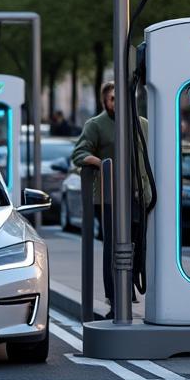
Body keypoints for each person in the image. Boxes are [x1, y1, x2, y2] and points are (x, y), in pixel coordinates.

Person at [71, 81, 150, 313]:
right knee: (114, 247)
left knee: (137, 246)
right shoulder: (96, 124)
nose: (117, 102)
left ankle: (129, 288)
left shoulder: (142, 124)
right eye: (112, 98)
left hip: (138, 197)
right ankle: (115, 299)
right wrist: (103, 164)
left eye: (120, 97)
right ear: (104, 101)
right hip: (109, 199)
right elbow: (79, 153)